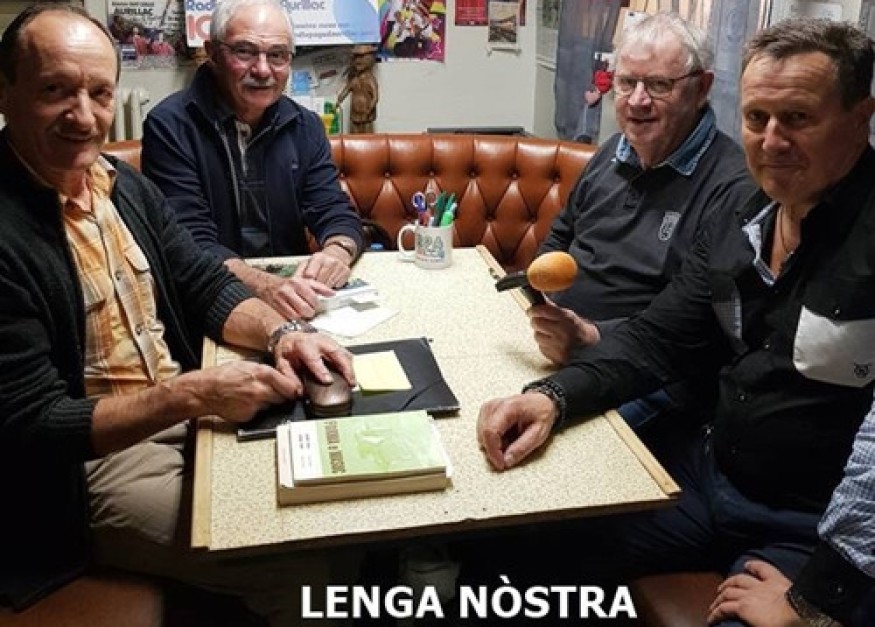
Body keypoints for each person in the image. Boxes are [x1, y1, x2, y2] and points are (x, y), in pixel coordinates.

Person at [478, 17, 875, 627]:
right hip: (710, 476)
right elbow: (660, 337)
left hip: (809, 528)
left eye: (798, 118)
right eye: (757, 118)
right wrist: (553, 397)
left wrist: (819, 599)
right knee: (511, 553)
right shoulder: (743, 212)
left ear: (859, 118)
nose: (771, 141)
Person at [0, 5, 357, 624]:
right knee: (299, 563)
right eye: (55, 91)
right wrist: (193, 394)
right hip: (81, 474)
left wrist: (284, 332)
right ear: (6, 91)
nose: (83, 116)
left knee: (339, 503)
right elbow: (33, 426)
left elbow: (201, 282)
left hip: (180, 414)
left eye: (99, 93)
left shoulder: (117, 184)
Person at [534, 13, 755, 428]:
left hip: (649, 376)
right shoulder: (611, 152)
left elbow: (696, 324)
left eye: (658, 85)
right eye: (626, 82)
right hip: (557, 344)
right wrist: (542, 304)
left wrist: (592, 336)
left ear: (702, 88)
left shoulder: (733, 187)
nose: (637, 101)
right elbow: (560, 235)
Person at [141, 0, 363, 321]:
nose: (262, 70)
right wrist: (263, 286)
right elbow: (189, 240)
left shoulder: (305, 126)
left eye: (277, 55)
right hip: (209, 298)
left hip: (295, 296)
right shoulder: (170, 126)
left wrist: (337, 252)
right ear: (213, 53)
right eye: (244, 52)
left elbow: (332, 208)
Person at [337, 44, 379, 134]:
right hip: (355, 113)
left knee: (368, 135)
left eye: (361, 57)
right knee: (354, 135)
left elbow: (375, 97)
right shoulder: (354, 79)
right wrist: (339, 99)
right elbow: (347, 90)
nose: (358, 60)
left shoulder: (370, 79)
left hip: (366, 114)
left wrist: (369, 109)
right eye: (356, 57)